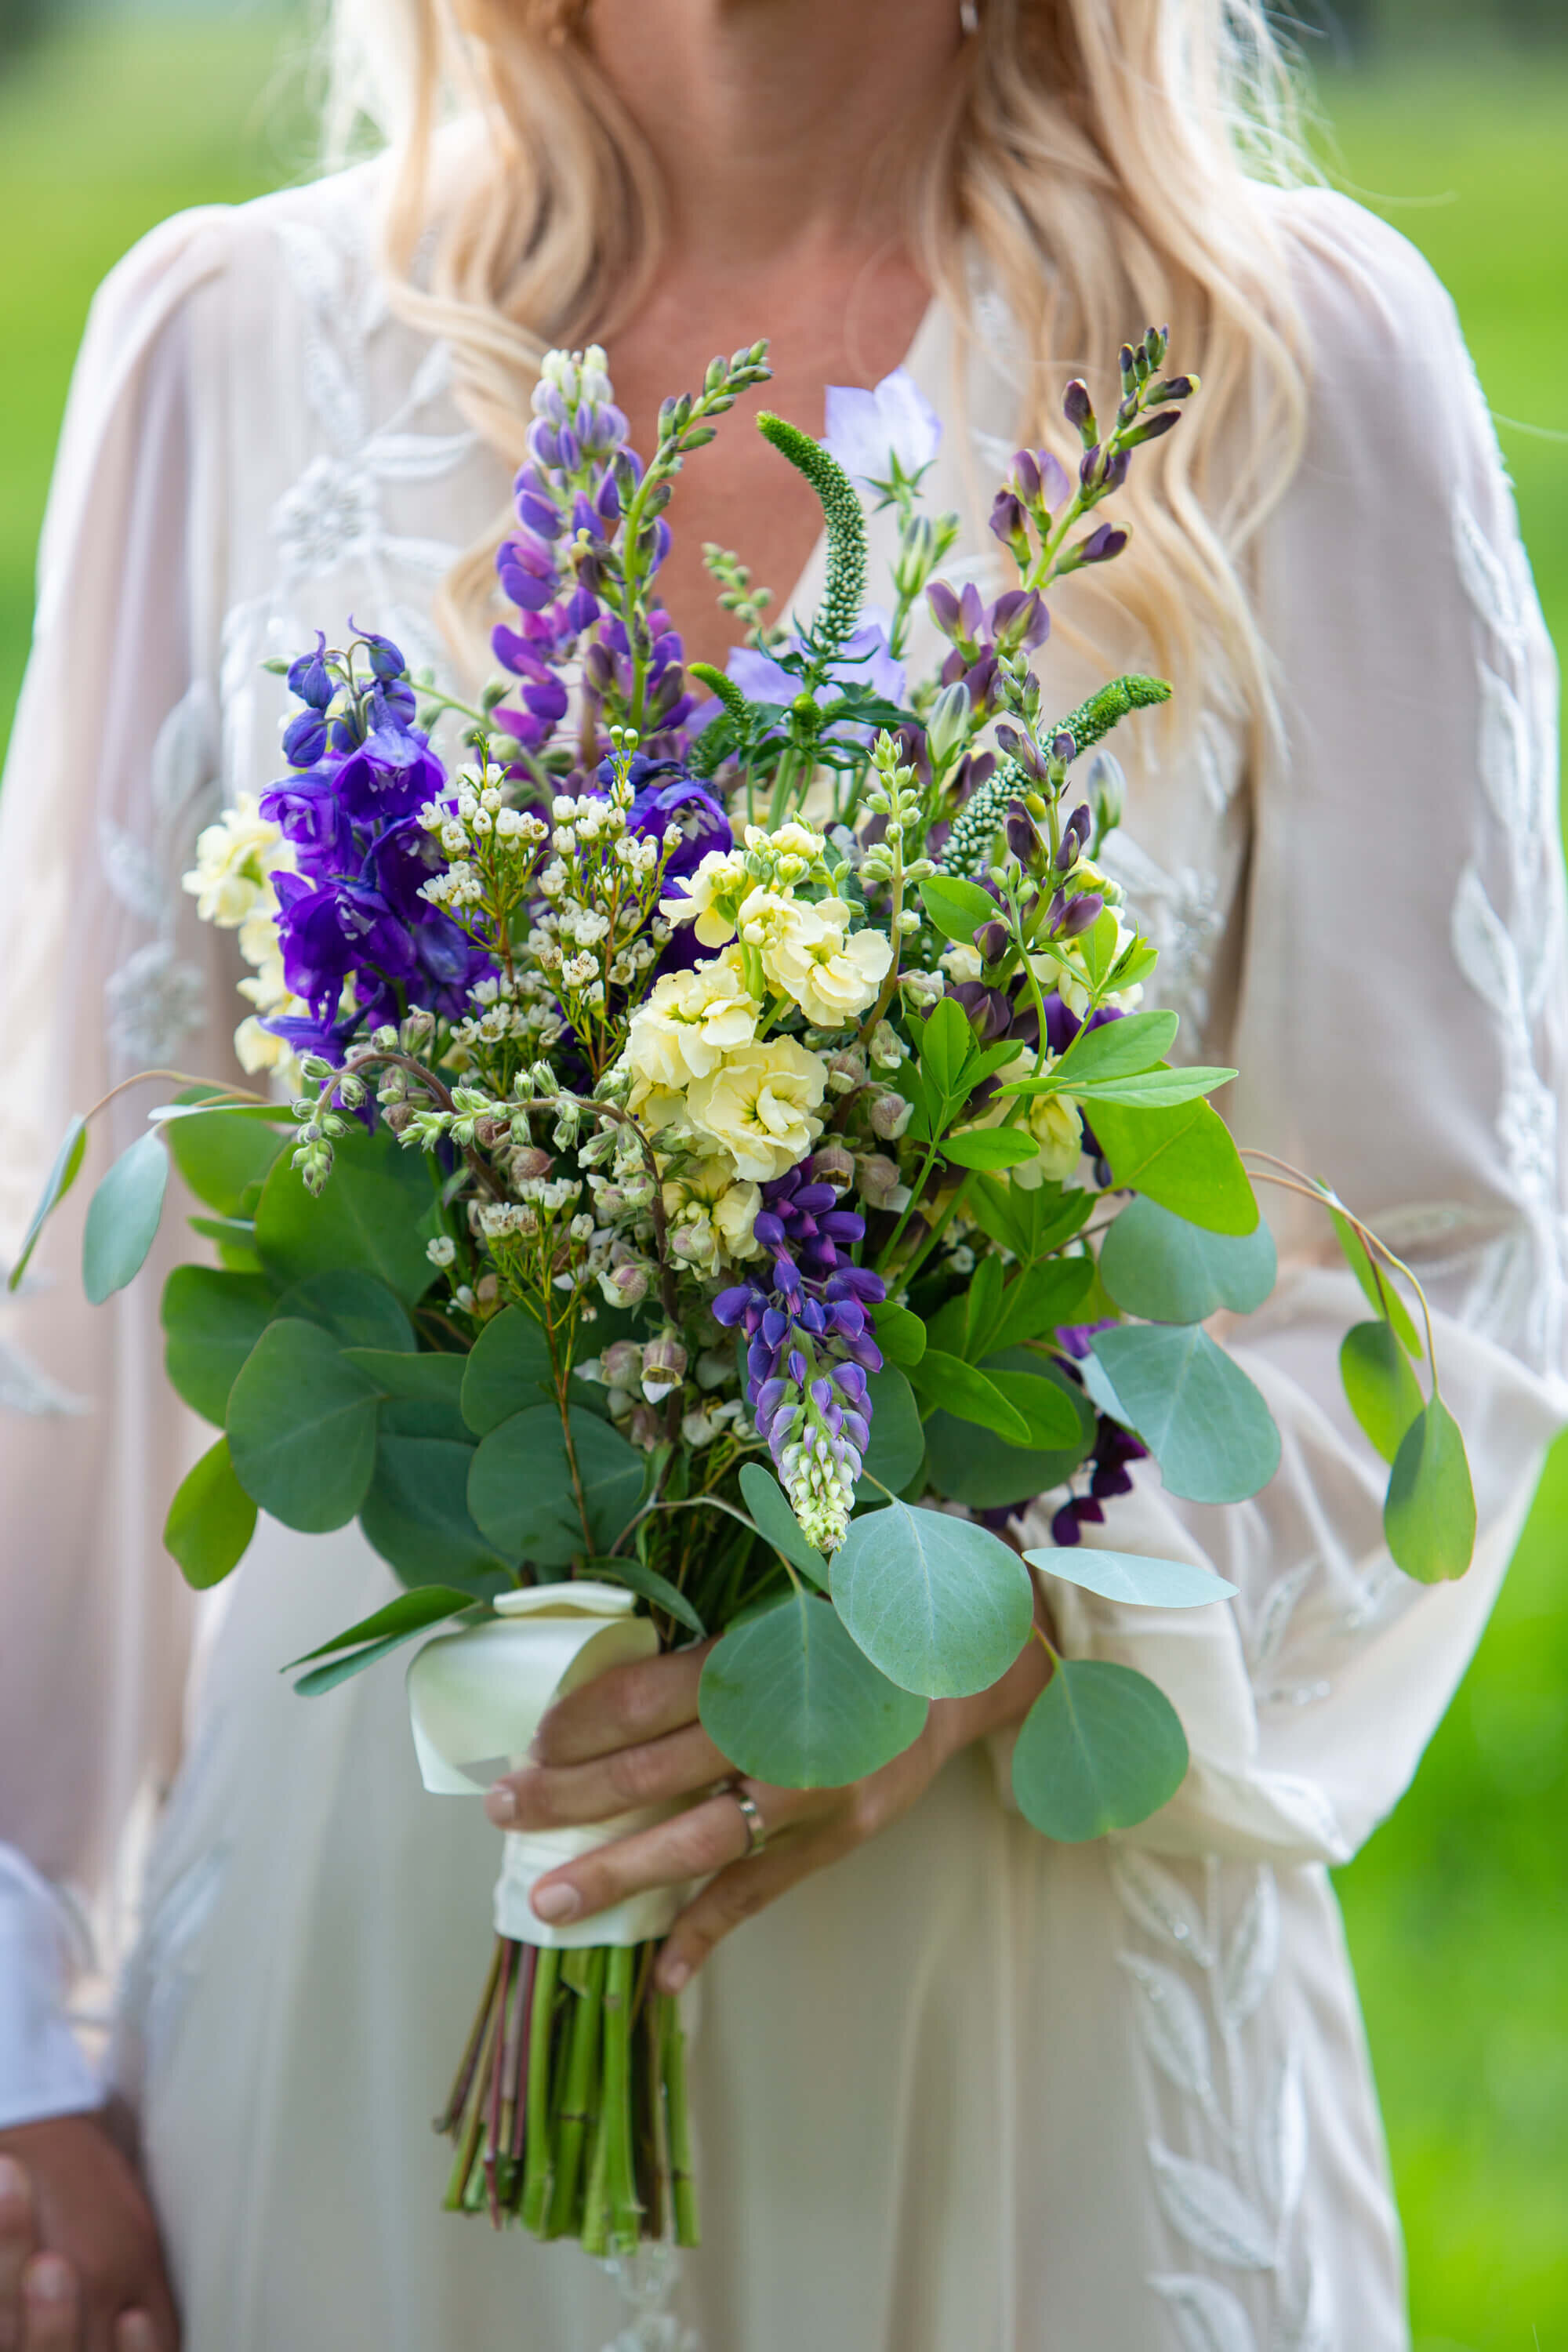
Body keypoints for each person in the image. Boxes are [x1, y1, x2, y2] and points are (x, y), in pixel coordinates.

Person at [0, 1, 1563, 2346]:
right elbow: (69, 1290)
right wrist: (23, 2064)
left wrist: (1002, 1640)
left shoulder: (1284, 357)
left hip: (1023, 2000)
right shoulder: (231, 341)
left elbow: (1434, 1268)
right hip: (375, 1977)